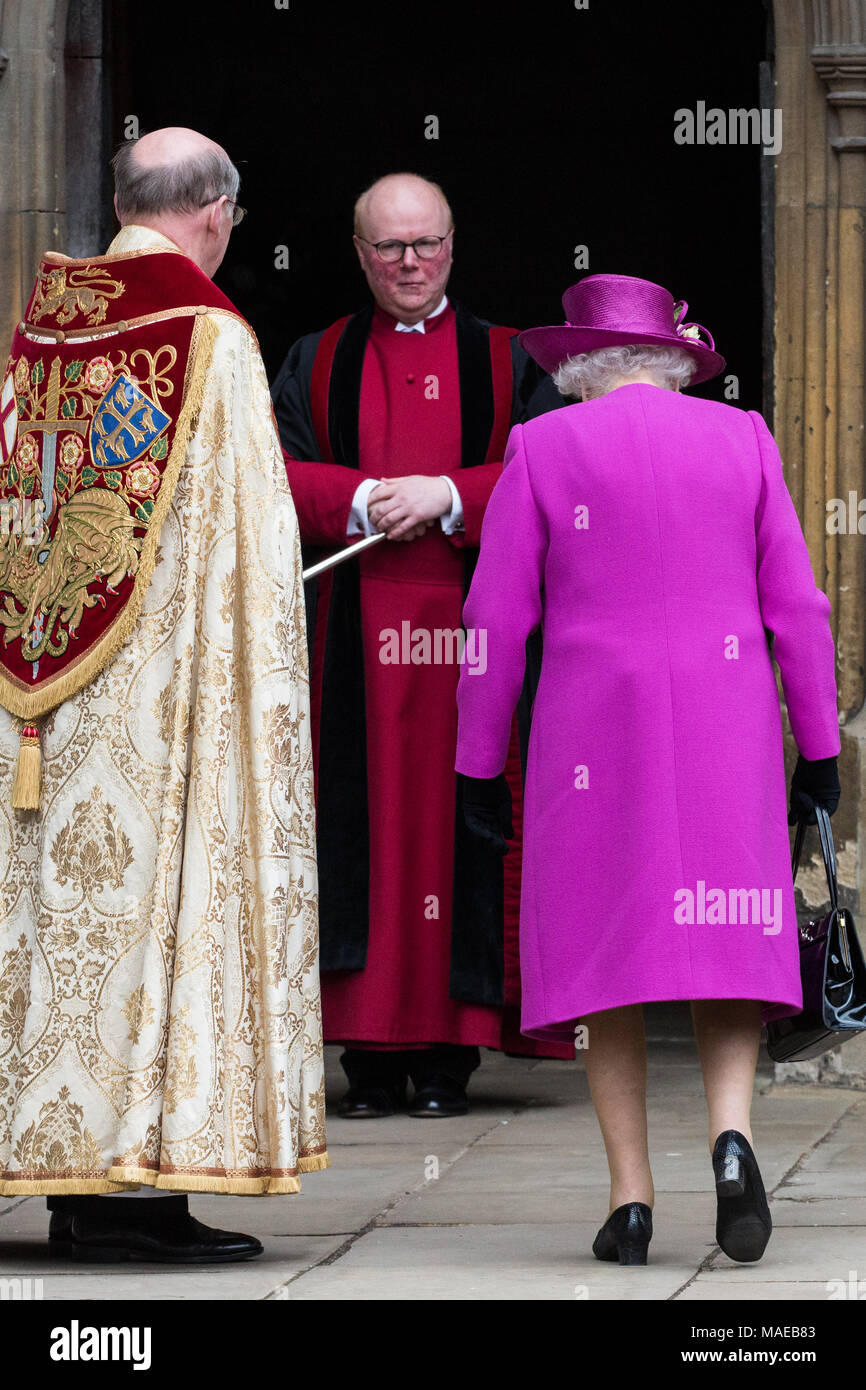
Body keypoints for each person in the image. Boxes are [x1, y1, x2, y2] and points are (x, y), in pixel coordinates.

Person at [455, 273, 841, 1264]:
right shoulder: (742, 437)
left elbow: (495, 620)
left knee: (603, 959)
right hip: (727, 720)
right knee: (724, 939)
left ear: (575, 367)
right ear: (673, 361)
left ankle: (629, 1200)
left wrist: (472, 760)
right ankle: (729, 1138)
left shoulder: (541, 447)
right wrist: (820, 751)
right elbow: (796, 607)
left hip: (592, 731)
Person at [0, 128, 327, 1262]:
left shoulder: (46, 324)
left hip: (39, 696)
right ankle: (134, 1196)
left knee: (51, 930)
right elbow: (245, 549)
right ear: (217, 211)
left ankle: (66, 1182)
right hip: (158, 696)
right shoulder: (210, 336)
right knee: (157, 916)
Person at [270, 172, 570, 1120]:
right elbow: (264, 471)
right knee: (368, 833)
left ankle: (450, 1056)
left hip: (475, 635)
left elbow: (553, 466)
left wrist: (448, 495)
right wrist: (359, 498)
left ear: (453, 245)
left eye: (426, 244)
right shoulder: (313, 358)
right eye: (390, 248)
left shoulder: (509, 356)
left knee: (460, 834)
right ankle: (367, 1055)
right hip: (352, 643)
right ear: (359, 254)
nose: (410, 264)